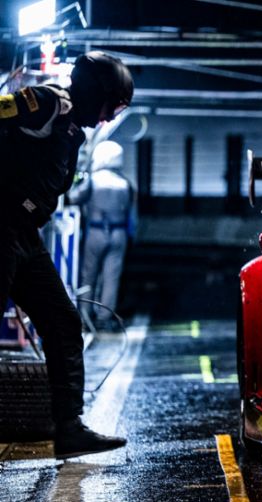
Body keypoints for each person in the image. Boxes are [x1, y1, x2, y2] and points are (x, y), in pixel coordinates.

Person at [0, 51, 133, 459]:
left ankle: (70, 429)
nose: (110, 118)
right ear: (97, 93)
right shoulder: (47, 102)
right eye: (111, 106)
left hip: (23, 236)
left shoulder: (73, 127)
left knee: (61, 321)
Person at [69, 140, 135, 332]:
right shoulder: (125, 183)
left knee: (88, 274)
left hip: (96, 232)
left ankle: (83, 315)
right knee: (111, 277)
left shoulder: (93, 180)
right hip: (119, 233)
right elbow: (132, 213)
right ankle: (104, 317)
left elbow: (73, 198)